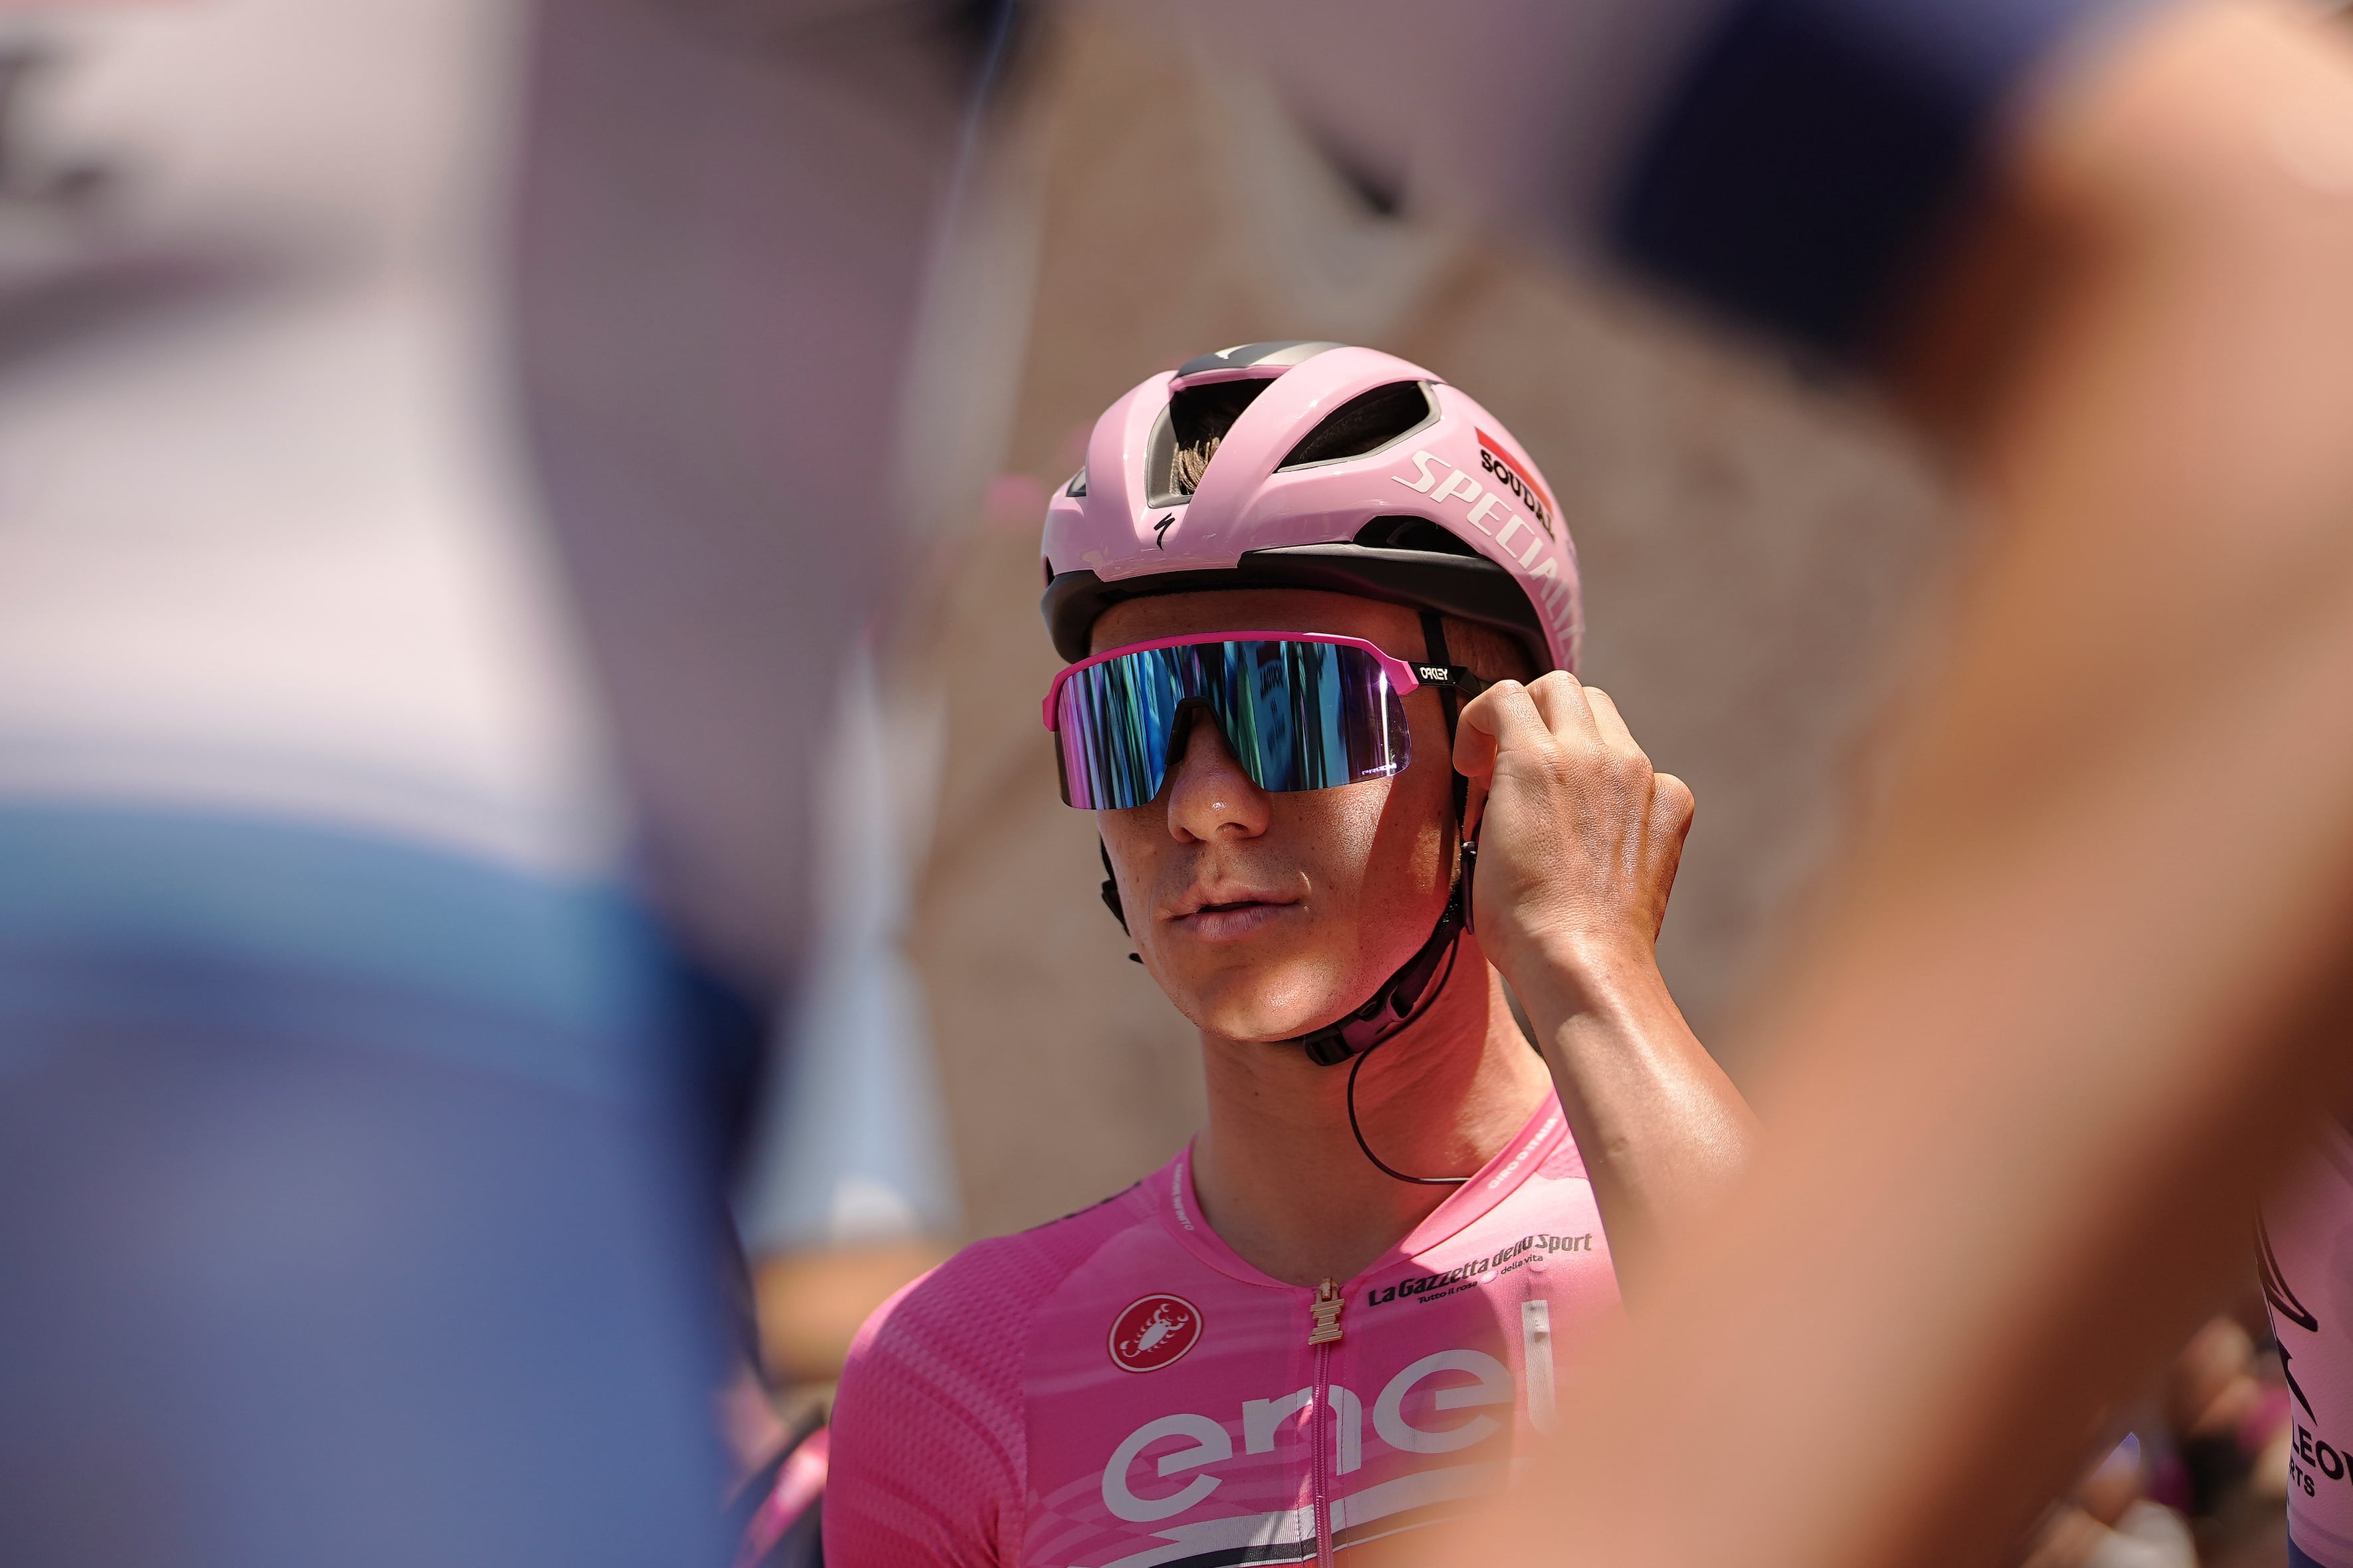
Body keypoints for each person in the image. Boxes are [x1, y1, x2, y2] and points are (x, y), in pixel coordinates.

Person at [821, 342, 1757, 1566]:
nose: (1206, 804)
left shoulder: (1702, 1220)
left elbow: (1881, 1476)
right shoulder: (955, 1367)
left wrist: (1589, 960)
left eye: (1293, 703)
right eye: (1132, 723)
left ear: (1508, 757)